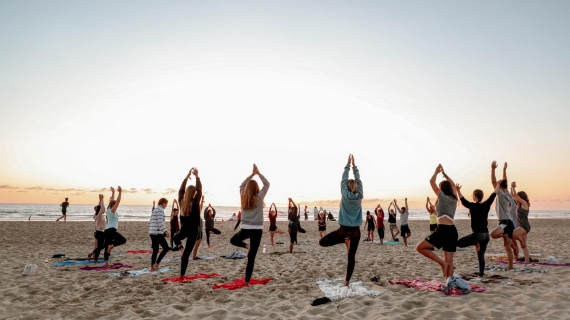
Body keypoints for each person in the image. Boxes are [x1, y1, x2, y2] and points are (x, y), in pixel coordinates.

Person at [319, 154, 363, 286]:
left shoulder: (344, 194)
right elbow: (358, 180)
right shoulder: (360, 195)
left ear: (347, 188)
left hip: (343, 231)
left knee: (322, 242)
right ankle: (347, 282)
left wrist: (348, 165)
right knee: (351, 257)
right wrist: (355, 166)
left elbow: (343, 180)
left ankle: (344, 240)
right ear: (356, 187)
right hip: (355, 232)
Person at [416, 164, 458, 289]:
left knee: (420, 247)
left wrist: (436, 172)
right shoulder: (454, 198)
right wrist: (445, 174)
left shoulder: (442, 197)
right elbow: (454, 185)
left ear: (441, 189)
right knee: (450, 261)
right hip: (452, 230)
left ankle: (441, 263)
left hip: (443, 230)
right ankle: (448, 285)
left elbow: (431, 181)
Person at [230, 164, 270, 285]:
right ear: (257, 188)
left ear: (247, 188)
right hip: (257, 229)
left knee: (233, 240)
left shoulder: (243, 196)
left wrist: (252, 175)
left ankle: (246, 246)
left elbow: (241, 185)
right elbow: (267, 184)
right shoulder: (259, 197)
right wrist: (258, 173)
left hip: (246, 228)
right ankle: (247, 282)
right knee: (251, 258)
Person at [456, 183, 499, 277]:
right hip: (486, 235)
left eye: (472, 195)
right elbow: (493, 194)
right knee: (480, 256)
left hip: (478, 234)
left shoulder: (472, 206)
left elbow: (463, 201)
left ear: (474, 196)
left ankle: (476, 243)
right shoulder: (486, 204)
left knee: (458, 243)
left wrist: (458, 190)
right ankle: (481, 274)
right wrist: (497, 186)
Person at [172, 168, 202, 278]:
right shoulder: (194, 203)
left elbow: (180, 190)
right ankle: (182, 276)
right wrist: (197, 177)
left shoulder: (181, 201)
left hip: (184, 230)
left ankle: (181, 248)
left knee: (176, 238)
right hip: (193, 231)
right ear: (193, 194)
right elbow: (200, 190)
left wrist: (186, 177)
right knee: (186, 255)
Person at [489, 161, 515, 270]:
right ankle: (510, 267)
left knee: (493, 234)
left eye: (498, 184)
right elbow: (505, 181)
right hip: (510, 223)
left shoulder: (501, 194)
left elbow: (493, 181)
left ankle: (503, 234)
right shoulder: (508, 194)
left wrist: (493, 169)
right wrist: (504, 170)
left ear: (499, 186)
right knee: (507, 247)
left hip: (505, 222)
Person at [103, 187, 126, 267]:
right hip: (111, 230)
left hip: (108, 231)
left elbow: (111, 200)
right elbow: (117, 201)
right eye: (115, 204)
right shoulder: (112, 211)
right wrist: (120, 192)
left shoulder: (109, 210)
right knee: (123, 240)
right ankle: (111, 246)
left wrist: (113, 192)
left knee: (107, 247)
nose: (116, 206)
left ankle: (106, 262)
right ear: (113, 205)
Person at [511, 181, 531, 264]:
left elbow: (515, 195)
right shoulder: (521, 205)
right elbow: (513, 196)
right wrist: (511, 189)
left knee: (511, 234)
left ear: (521, 197)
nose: (517, 199)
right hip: (522, 226)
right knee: (524, 246)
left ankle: (521, 241)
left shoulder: (525, 203)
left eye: (519, 197)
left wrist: (513, 187)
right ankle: (527, 262)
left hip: (524, 226)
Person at [149, 198, 170, 271]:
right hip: (157, 232)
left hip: (152, 232)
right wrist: (166, 231)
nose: (166, 206)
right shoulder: (160, 210)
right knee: (166, 248)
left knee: (155, 250)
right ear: (163, 203)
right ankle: (156, 264)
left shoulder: (155, 210)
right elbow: (160, 222)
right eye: (166, 204)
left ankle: (152, 267)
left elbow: (151, 221)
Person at [88, 194, 106, 262]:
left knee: (99, 246)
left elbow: (100, 207)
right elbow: (101, 207)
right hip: (99, 233)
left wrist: (100, 200)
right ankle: (92, 255)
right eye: (103, 209)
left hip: (99, 232)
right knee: (100, 246)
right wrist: (102, 200)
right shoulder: (98, 216)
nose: (104, 210)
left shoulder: (97, 215)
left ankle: (95, 258)